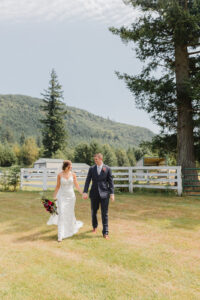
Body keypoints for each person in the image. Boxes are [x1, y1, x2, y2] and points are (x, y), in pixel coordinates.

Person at [47, 160, 83, 242]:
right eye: (70, 166)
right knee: (62, 214)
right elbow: (57, 186)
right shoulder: (59, 175)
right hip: (62, 196)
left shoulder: (73, 174)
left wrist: (82, 193)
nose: (72, 167)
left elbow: (76, 185)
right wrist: (54, 196)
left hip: (71, 197)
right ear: (66, 166)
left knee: (69, 213)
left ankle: (70, 230)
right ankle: (60, 235)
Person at [83, 153, 114, 239]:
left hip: (105, 194)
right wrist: (85, 191)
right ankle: (94, 226)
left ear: (100, 159)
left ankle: (105, 232)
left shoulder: (107, 169)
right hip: (94, 194)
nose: (95, 161)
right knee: (94, 211)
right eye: (94, 159)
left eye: (96, 159)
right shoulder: (91, 168)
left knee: (105, 213)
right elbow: (88, 180)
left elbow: (111, 182)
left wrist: (112, 193)